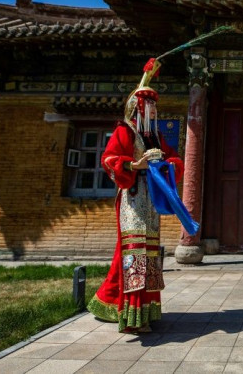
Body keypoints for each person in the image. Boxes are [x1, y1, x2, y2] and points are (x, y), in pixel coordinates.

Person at [87, 58, 184, 334]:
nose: (154, 111)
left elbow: (176, 160)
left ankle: (147, 311)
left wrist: (167, 166)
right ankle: (132, 319)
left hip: (151, 202)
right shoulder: (124, 131)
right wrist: (133, 165)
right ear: (138, 108)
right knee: (135, 255)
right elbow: (108, 159)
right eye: (149, 106)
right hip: (132, 200)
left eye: (155, 107)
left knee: (150, 256)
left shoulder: (155, 139)